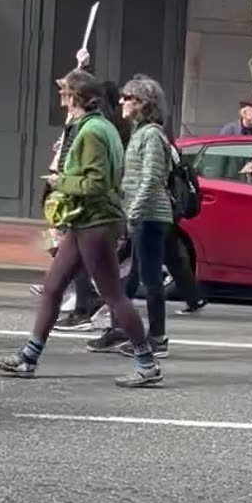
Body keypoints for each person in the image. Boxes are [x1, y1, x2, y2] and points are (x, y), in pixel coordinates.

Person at [0, 69, 162, 387]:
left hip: (94, 219)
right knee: (54, 286)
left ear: (77, 98)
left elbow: (96, 182)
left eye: (65, 93)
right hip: (84, 219)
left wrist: (61, 181)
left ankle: (147, 363)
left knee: (113, 295)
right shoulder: (94, 126)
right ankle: (29, 358)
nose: (60, 98)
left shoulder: (93, 131)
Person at [84, 75, 175, 357]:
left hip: (149, 217)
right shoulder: (140, 132)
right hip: (141, 215)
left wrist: (133, 213)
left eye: (128, 98)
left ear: (144, 104)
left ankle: (158, 338)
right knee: (132, 278)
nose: (121, 101)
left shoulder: (150, 135)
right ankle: (122, 329)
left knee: (150, 279)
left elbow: (152, 178)